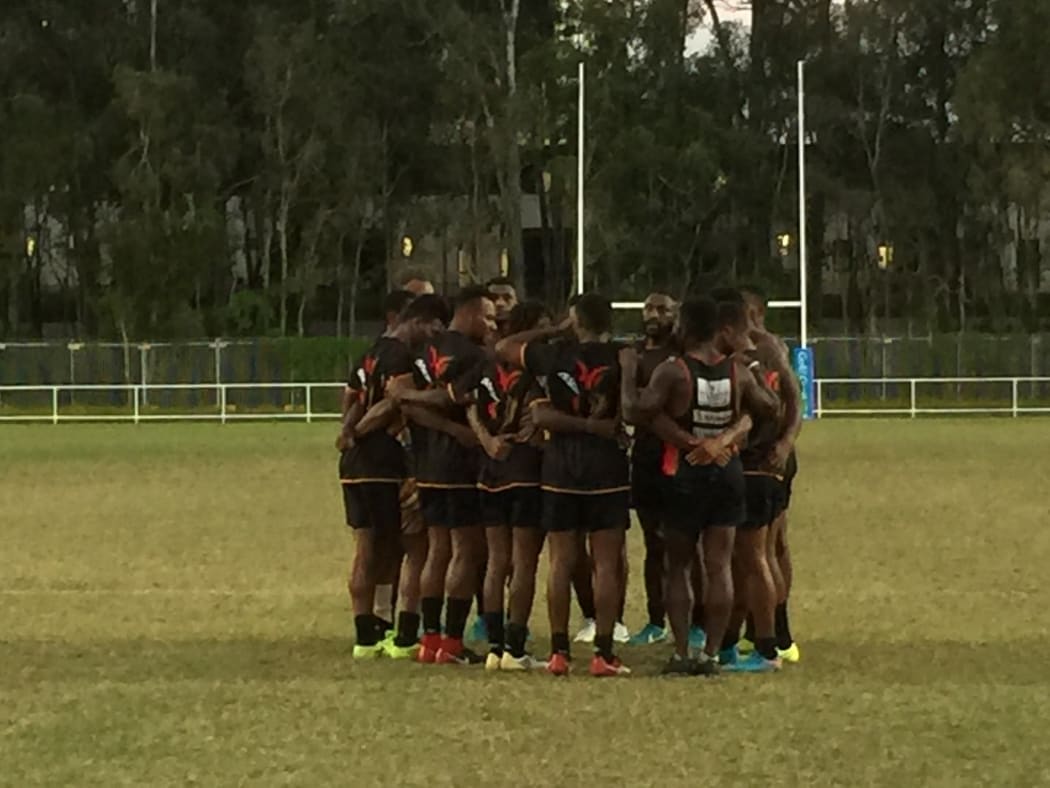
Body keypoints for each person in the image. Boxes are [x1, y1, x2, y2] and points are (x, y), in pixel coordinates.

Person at [621, 298, 779, 675]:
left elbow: (636, 411)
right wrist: (732, 431)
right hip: (727, 471)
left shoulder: (672, 371)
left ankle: (681, 652)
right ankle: (710, 654)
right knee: (719, 565)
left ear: (686, 327)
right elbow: (770, 407)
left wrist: (627, 373)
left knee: (678, 565)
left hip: (684, 472)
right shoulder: (737, 372)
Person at [497, 293, 632, 677]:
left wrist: (552, 330)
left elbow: (504, 347)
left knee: (560, 561)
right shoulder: (622, 356)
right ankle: (603, 652)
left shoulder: (552, 355)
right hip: (606, 467)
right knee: (605, 564)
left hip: (560, 468)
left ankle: (559, 652)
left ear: (575, 320)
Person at [336, 294, 450, 659]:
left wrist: (348, 431)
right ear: (418, 321)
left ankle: (366, 635)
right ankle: (400, 634)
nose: (435, 336)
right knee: (408, 547)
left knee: (367, 547)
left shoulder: (369, 353)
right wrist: (363, 431)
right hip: (384, 462)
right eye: (434, 327)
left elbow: (351, 401)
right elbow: (396, 401)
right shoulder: (402, 356)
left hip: (354, 464)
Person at [392, 286, 498, 665]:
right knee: (467, 550)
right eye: (487, 317)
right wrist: (455, 429)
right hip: (460, 465)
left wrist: (408, 396)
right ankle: (451, 643)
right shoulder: (474, 356)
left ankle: (429, 641)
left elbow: (409, 405)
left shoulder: (424, 352)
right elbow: (450, 398)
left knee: (437, 550)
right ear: (467, 313)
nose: (492, 324)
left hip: (427, 466)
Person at [464, 301, 552, 670]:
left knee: (497, 561)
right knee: (524, 562)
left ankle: (495, 648)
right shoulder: (534, 372)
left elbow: (470, 406)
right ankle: (515, 649)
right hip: (524, 471)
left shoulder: (487, 367)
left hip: (490, 472)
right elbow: (538, 421)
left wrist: (486, 440)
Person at [709, 287, 788, 673]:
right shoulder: (773, 349)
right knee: (753, 559)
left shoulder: (742, 363)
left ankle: (767, 648)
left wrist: (726, 440)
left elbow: (758, 412)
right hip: (771, 468)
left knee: (753, 560)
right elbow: (793, 400)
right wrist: (786, 443)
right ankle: (734, 643)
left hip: (753, 467)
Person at [738, 284, 802, 663]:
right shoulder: (746, 348)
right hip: (767, 456)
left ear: (758, 312)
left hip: (767, 457)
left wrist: (785, 442)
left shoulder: (768, 348)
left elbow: (793, 400)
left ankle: (776, 632)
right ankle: (766, 630)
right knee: (767, 547)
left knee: (765, 548)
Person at [626, 291, 679, 646]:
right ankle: (656, 619)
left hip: (677, 455)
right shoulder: (633, 354)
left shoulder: (682, 353)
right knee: (653, 542)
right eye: (648, 307)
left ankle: (694, 620)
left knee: (684, 542)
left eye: (662, 309)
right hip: (645, 457)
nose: (653, 314)